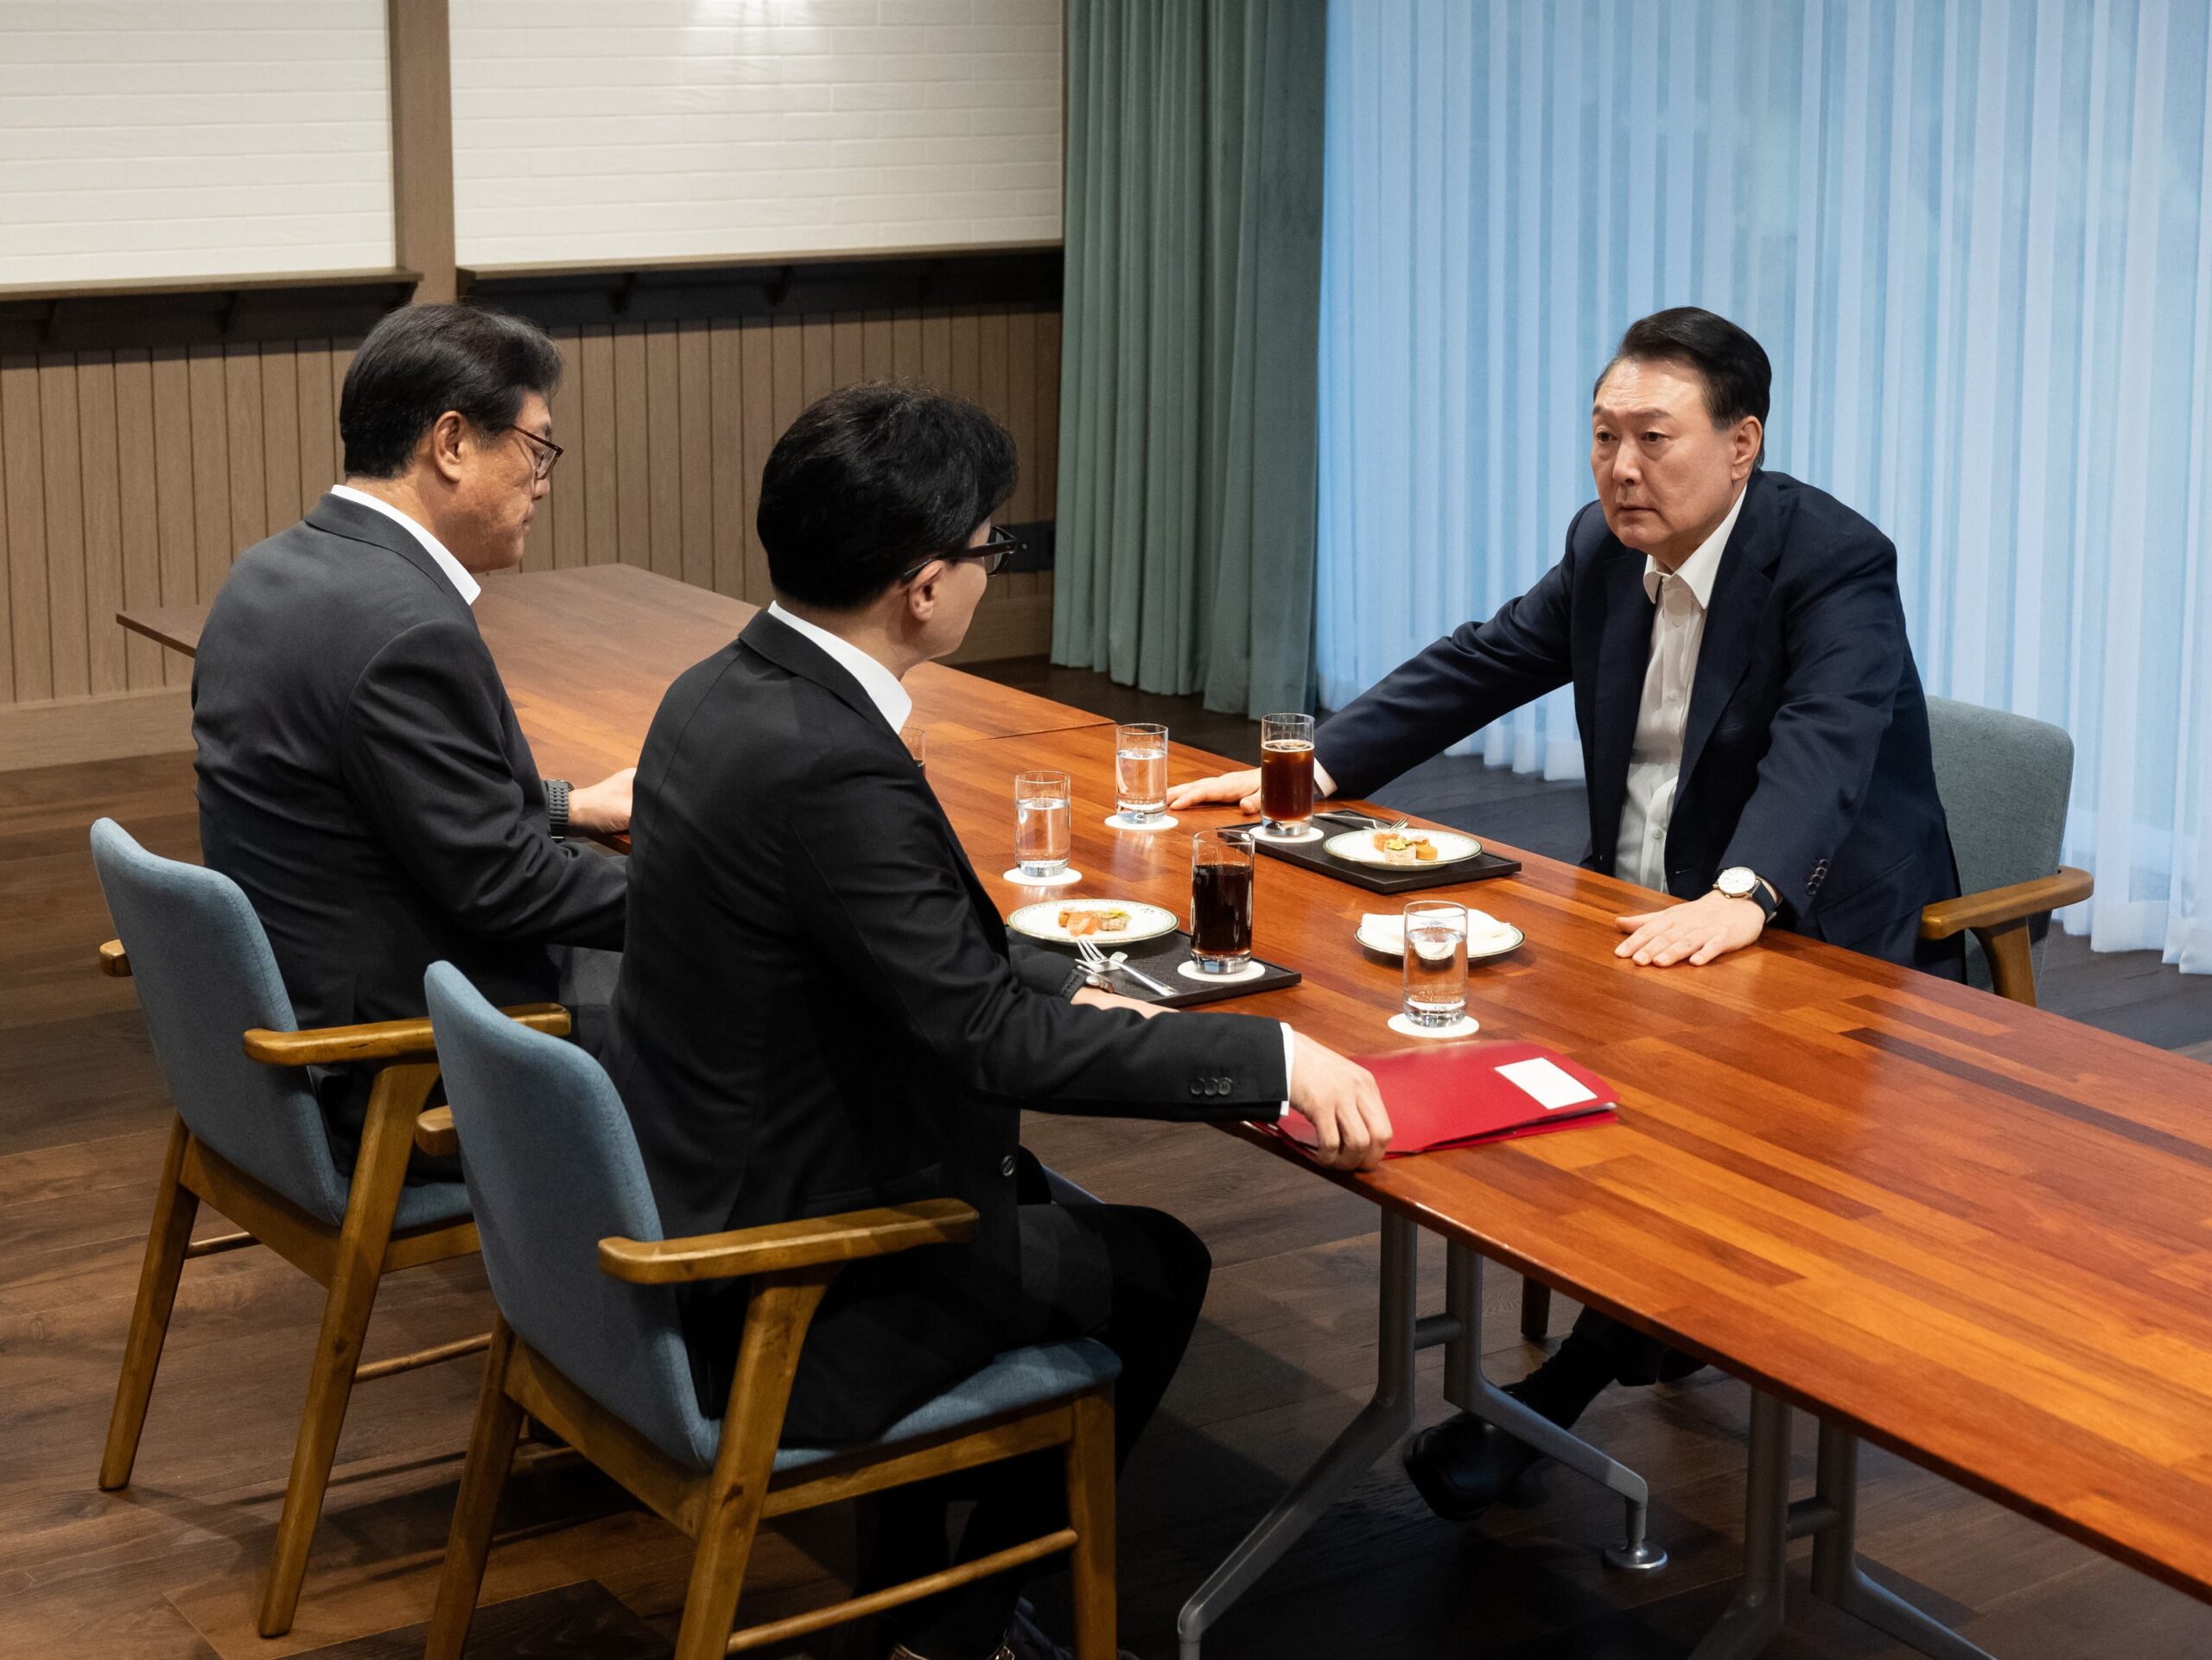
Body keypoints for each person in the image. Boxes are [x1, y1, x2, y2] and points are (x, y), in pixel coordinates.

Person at [601, 383, 1392, 1660]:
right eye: (990, 550)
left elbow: (888, 952)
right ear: (924, 587)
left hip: (699, 1181)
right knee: (1155, 1264)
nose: (991, 570)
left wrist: (1036, 967)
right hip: (788, 1284)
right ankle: (957, 1627)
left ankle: (923, 1590)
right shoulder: (831, 758)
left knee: (1055, 1205)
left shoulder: (718, 688)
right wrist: (1269, 1056)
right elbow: (987, 1042)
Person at [1168, 306, 1962, 1523]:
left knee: (1689, 1127)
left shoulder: (1833, 559)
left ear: (1741, 445)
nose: (1622, 468)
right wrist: (1311, 768)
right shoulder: (1605, 546)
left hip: (1810, 930)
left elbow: (1825, 745)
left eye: (1654, 438)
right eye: (1603, 437)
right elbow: (1487, 659)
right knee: (1486, 1062)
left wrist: (1742, 896)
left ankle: (1562, 1394)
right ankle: (1650, 1319)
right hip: (1638, 914)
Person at [192, 302, 633, 1173]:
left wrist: (568, 807)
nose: (543, 482)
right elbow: (501, 886)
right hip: (403, 1067)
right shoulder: (405, 629)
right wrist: (724, 894)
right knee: (748, 998)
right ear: (453, 442)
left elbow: (372, 806)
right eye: (537, 449)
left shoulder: (271, 571)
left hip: (294, 1023)